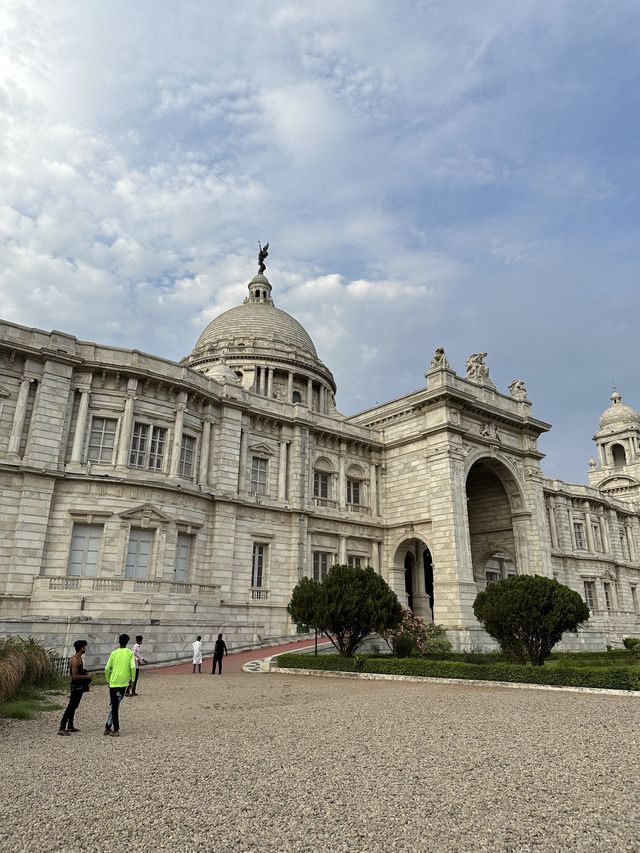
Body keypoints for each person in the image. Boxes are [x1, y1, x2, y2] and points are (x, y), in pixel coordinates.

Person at [103, 634, 136, 738]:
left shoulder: (113, 653)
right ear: (127, 641)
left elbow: (107, 668)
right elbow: (133, 667)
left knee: (114, 705)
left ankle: (108, 726)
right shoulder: (130, 653)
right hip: (123, 683)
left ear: (119, 641)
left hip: (113, 682)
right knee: (115, 705)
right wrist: (133, 680)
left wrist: (108, 680)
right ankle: (115, 729)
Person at [58, 639, 93, 736]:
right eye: (85, 646)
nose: (85, 648)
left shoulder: (79, 658)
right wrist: (87, 676)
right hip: (75, 686)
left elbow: (80, 672)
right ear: (81, 648)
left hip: (80, 685)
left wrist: (86, 673)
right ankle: (62, 727)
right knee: (71, 706)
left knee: (74, 706)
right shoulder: (74, 660)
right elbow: (74, 676)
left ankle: (70, 725)